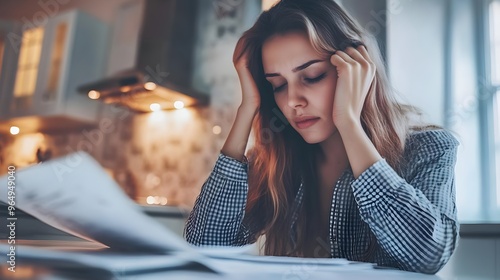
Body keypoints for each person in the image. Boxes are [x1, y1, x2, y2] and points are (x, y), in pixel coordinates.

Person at [184, 0, 459, 274]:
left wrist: (349, 123)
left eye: (312, 76)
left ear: (357, 71)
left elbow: (428, 255)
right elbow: (206, 245)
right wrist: (247, 109)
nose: (292, 101)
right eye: (277, 85)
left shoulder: (429, 148)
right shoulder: (275, 159)